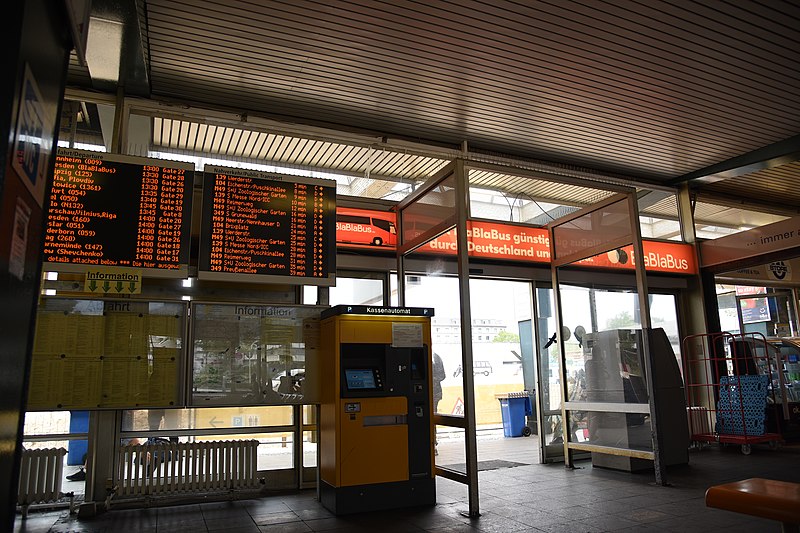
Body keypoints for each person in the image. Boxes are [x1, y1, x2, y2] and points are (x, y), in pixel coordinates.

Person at [432, 352, 445, 455]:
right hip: (430, 392)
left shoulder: (435, 356)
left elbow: (442, 375)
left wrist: (431, 379)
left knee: (433, 419)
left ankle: (433, 444)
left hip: (434, 393)